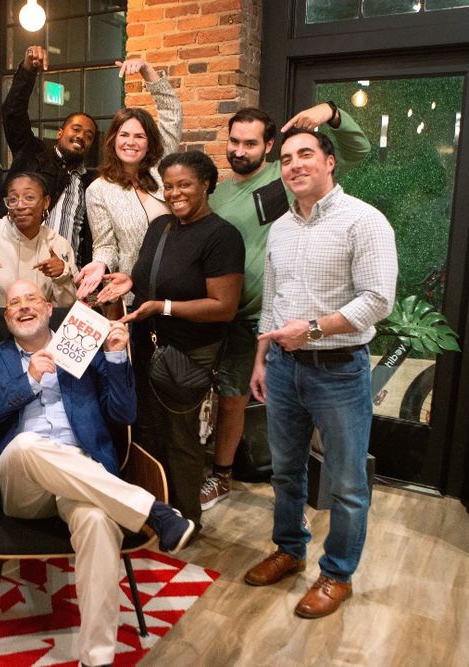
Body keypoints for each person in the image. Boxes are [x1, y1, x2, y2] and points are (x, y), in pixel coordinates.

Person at [0, 279, 195, 667]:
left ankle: (96, 659)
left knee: (98, 520)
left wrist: (118, 357)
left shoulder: (81, 345)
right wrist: (29, 381)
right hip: (22, 481)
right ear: (7, 315)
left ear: (49, 307)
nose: (22, 307)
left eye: (31, 299)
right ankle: (152, 511)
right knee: (26, 445)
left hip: (82, 477)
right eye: (14, 303)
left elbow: (124, 415)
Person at [245, 128, 396, 618]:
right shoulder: (282, 228)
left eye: (305, 154)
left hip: (339, 370)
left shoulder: (365, 222)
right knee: (286, 471)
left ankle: (337, 574)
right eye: (286, 158)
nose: (294, 166)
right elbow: (273, 302)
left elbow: (377, 301)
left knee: (347, 483)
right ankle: (290, 550)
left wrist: (311, 329)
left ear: (330, 162)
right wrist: (261, 360)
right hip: (284, 370)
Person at [199, 103, 371, 512]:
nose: (240, 150)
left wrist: (331, 112)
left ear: (269, 145)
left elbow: (359, 149)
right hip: (216, 313)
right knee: (220, 397)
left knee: (238, 397)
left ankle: (226, 478)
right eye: (234, 141)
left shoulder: (286, 177)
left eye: (250, 143)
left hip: (266, 320)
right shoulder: (218, 193)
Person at [100, 150, 244, 527]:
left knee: (180, 439)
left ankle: (186, 521)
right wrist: (128, 282)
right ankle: (153, 511)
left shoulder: (222, 236)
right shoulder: (160, 227)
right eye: (169, 186)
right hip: (146, 346)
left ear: (206, 184)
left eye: (185, 185)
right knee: (146, 430)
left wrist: (161, 307)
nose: (175, 193)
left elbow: (223, 306)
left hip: (187, 353)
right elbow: (152, 278)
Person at [76, 57, 182, 298]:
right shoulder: (99, 190)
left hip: (178, 286)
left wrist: (148, 71)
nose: (131, 142)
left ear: (149, 143)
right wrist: (100, 265)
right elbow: (105, 245)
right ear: (113, 140)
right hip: (134, 292)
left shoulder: (162, 168)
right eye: (124, 135)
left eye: (139, 136)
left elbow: (171, 114)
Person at [0, 45, 97, 267]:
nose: (81, 136)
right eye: (75, 129)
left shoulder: (90, 183)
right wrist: (27, 70)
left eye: (89, 135)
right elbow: (12, 113)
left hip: (64, 273)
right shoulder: (32, 152)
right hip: (16, 262)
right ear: (60, 133)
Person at [0, 171, 77, 307]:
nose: (20, 205)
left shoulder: (58, 244)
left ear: (46, 202)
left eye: (29, 198)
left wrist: (61, 276)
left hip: (37, 324)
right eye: (13, 199)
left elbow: (68, 306)